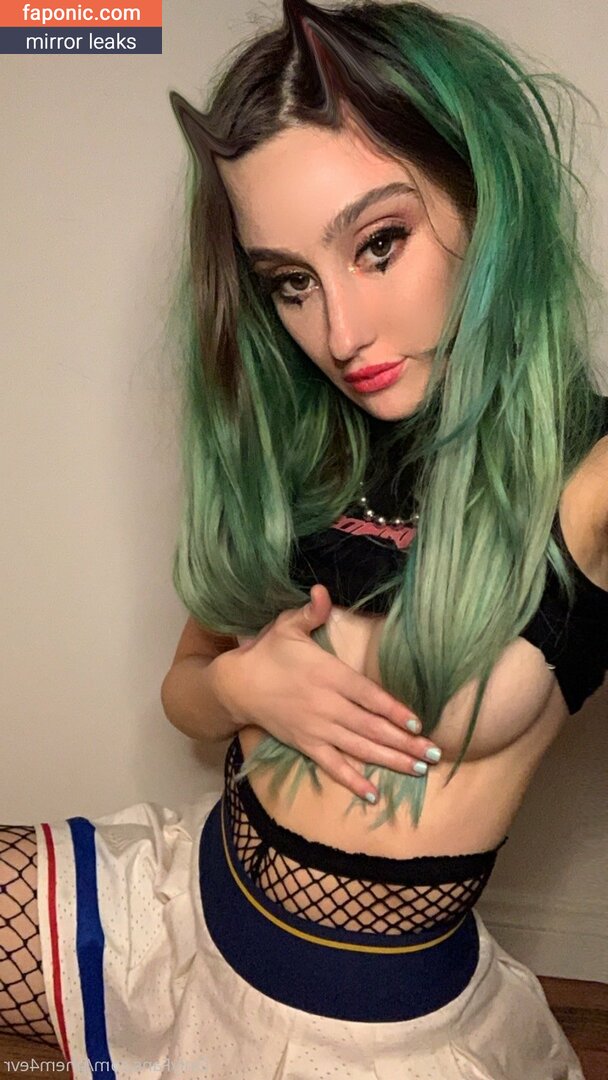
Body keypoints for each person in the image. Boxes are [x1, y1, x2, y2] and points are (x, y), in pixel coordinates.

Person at [1, 0, 607, 1076]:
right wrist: (244, 687)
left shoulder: (587, 477)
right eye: (291, 281)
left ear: (485, 200)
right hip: (181, 911)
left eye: (378, 244)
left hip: (364, 1036)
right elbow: (185, 688)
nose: (338, 333)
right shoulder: (313, 449)